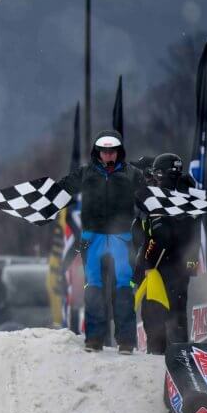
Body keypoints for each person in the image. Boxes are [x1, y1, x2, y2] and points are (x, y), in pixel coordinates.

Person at [57, 130, 147, 354]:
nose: (108, 155)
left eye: (112, 151)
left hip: (121, 238)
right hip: (92, 237)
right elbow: (60, 190)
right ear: (97, 152)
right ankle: (94, 339)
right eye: (104, 152)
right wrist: (39, 202)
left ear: (119, 152)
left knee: (124, 287)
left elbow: (150, 199)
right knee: (93, 287)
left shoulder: (132, 174)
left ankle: (126, 341)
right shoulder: (85, 173)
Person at [132, 153, 199, 354]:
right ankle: (181, 356)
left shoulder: (163, 199)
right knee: (177, 315)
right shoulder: (188, 196)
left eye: (154, 174)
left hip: (163, 269)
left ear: (161, 174)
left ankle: (159, 357)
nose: (151, 179)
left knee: (155, 315)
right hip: (181, 267)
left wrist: (147, 264)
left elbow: (160, 237)